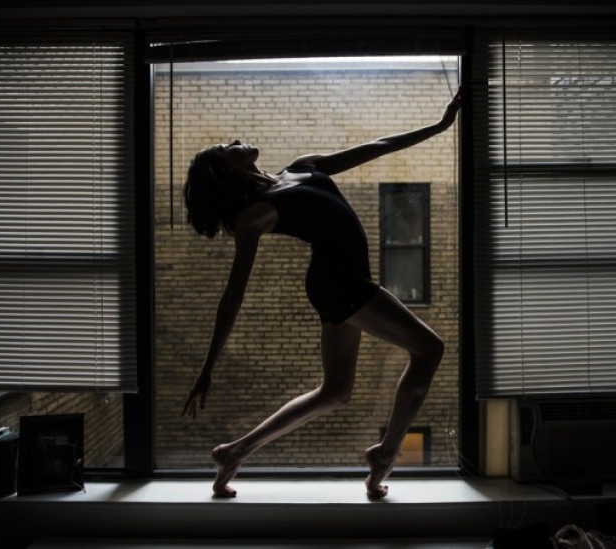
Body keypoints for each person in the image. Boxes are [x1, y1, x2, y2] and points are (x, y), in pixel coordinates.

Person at [181, 88, 462, 499]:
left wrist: (439, 126)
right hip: (341, 284)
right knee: (429, 350)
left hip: (339, 284)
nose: (237, 139)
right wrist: (207, 369)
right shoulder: (254, 215)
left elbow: (376, 148)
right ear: (226, 168)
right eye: (229, 146)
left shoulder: (300, 166)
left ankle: (234, 453)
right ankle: (385, 456)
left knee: (335, 392)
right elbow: (233, 295)